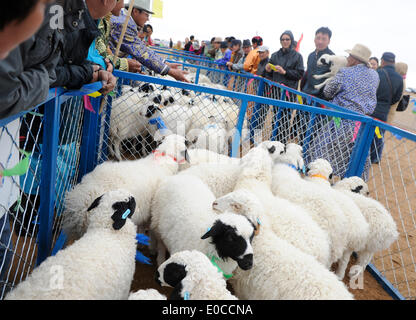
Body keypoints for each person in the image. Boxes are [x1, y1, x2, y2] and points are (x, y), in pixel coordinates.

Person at [308, 44, 379, 180]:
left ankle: (321, 180)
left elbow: (328, 92)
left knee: (324, 153)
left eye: (350, 56)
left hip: (340, 121)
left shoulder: (345, 72)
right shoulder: (374, 75)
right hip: (361, 125)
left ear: (355, 59)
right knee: (356, 158)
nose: (347, 58)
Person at [110, 0, 188, 82]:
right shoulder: (125, 23)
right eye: (146, 15)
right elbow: (142, 52)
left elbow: (142, 48)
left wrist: (166, 64)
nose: (148, 19)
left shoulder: (126, 19)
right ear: (135, 11)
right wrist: (170, 71)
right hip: (105, 65)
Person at [265, 30, 305, 144]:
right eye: (283, 39)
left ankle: (281, 143)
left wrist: (285, 72)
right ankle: (274, 140)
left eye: (287, 39)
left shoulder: (297, 56)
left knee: (285, 118)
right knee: (275, 116)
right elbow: (269, 75)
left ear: (291, 40)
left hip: (289, 92)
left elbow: (299, 74)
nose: (285, 41)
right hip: (276, 91)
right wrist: (268, 69)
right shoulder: (274, 55)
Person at [298, 27, 335, 145]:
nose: (320, 41)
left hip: (320, 101)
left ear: (329, 41)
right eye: (318, 38)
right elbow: (307, 74)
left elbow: (332, 81)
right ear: (314, 39)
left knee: (315, 131)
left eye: (323, 39)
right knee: (302, 128)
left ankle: (308, 156)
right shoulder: (310, 55)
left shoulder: (332, 58)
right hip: (305, 97)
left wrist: (324, 98)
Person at [370, 52, 403, 164]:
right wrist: (386, 103)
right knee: (379, 135)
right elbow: (397, 97)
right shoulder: (399, 78)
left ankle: (363, 155)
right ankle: (375, 157)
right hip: (384, 112)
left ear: (382, 61)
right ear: (393, 62)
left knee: (365, 132)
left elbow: (370, 90)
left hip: (371, 108)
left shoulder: (378, 73)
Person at [95, 0, 142, 73]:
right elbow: (97, 56)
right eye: (121, 1)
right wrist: (124, 64)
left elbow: (104, 50)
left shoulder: (105, 21)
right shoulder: (121, 22)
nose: (123, 6)